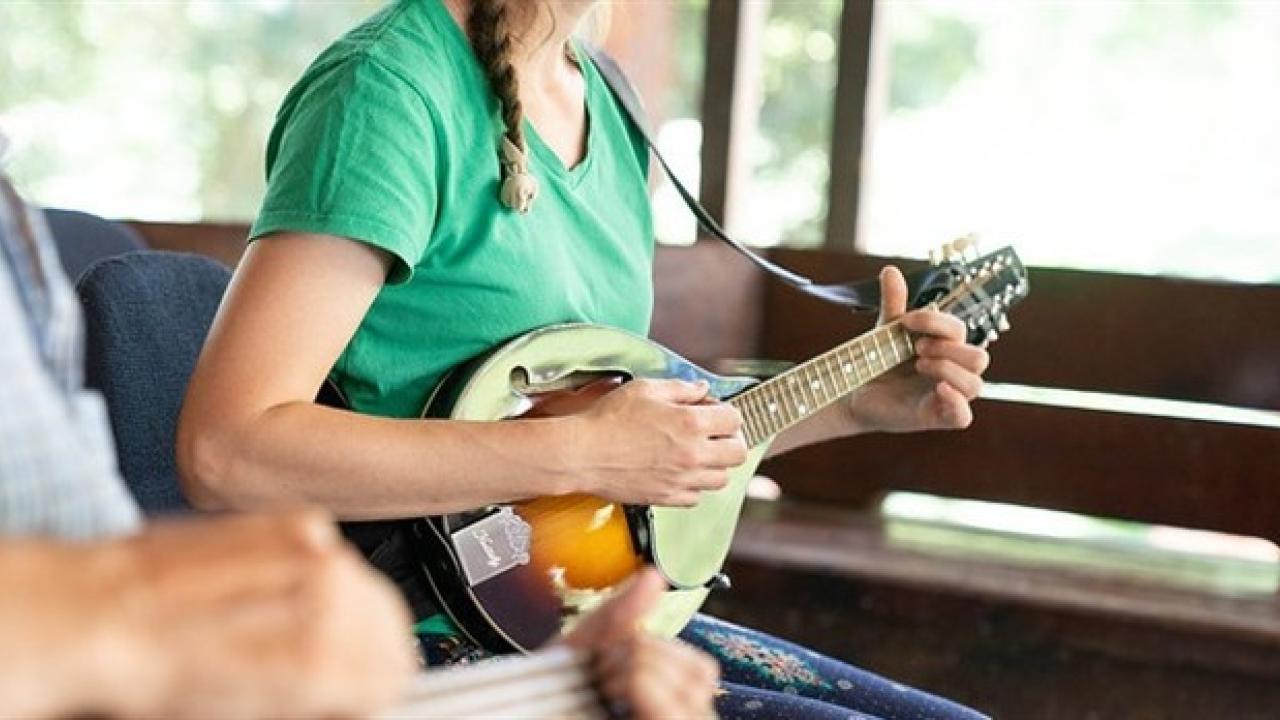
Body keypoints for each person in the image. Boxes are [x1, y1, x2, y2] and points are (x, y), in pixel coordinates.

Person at [177, 1, 991, 718]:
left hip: (578, 625)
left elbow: (639, 458)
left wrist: (856, 406)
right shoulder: (384, 91)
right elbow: (230, 452)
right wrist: (583, 451)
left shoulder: (607, 101)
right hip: (408, 644)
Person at [0, 136, 718, 719]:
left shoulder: (15, 239)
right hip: (430, 609)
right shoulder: (386, 90)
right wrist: (125, 609)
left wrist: (557, 693)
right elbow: (228, 457)